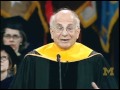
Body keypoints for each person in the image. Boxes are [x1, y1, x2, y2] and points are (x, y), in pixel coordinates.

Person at [10, 8, 118, 89]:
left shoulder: (96, 59)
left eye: (70, 28)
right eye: (59, 28)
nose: (65, 33)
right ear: (51, 32)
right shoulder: (31, 59)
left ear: (78, 32)